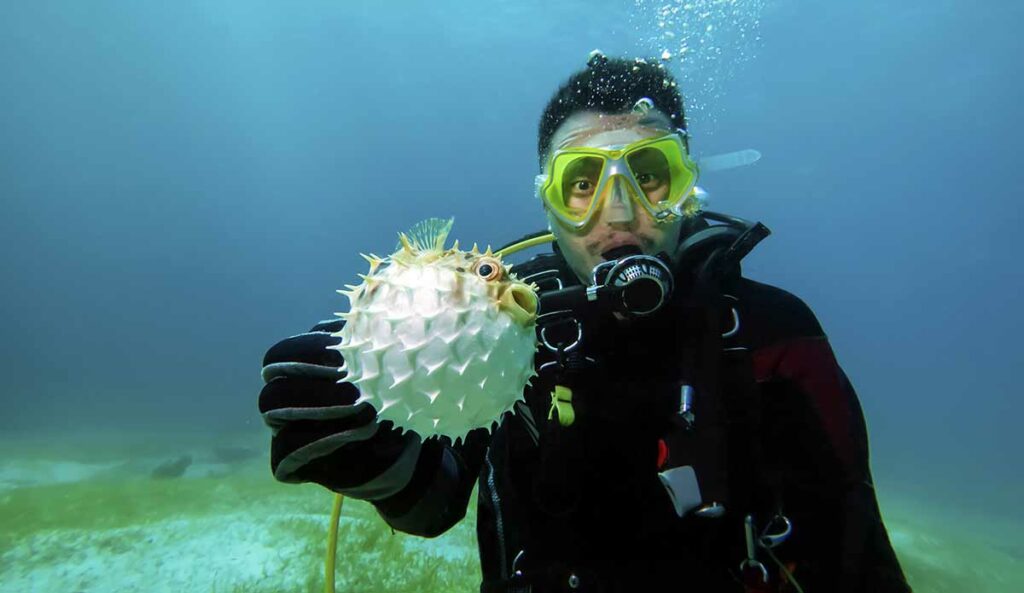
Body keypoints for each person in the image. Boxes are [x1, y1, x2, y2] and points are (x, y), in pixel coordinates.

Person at [258, 53, 911, 592]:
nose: (620, 213)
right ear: (550, 203)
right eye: (582, 182)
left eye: (652, 175)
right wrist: (378, 456)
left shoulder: (771, 332)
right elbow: (437, 494)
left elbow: (857, 556)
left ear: (689, 187)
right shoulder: (501, 318)